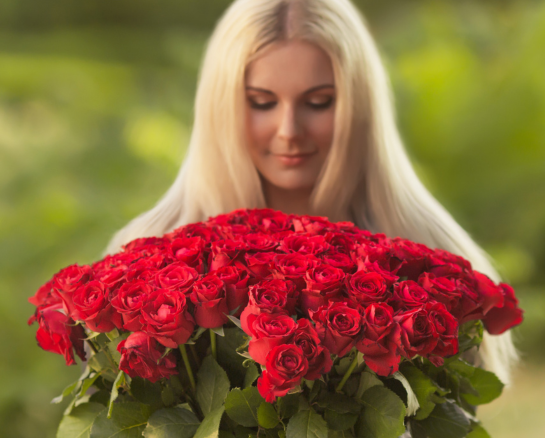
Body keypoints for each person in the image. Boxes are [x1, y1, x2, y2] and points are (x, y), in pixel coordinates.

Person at [105, 0, 517, 389]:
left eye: (319, 102)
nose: (289, 130)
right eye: (262, 102)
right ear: (221, 107)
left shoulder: (437, 262)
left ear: (361, 106)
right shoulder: (138, 257)